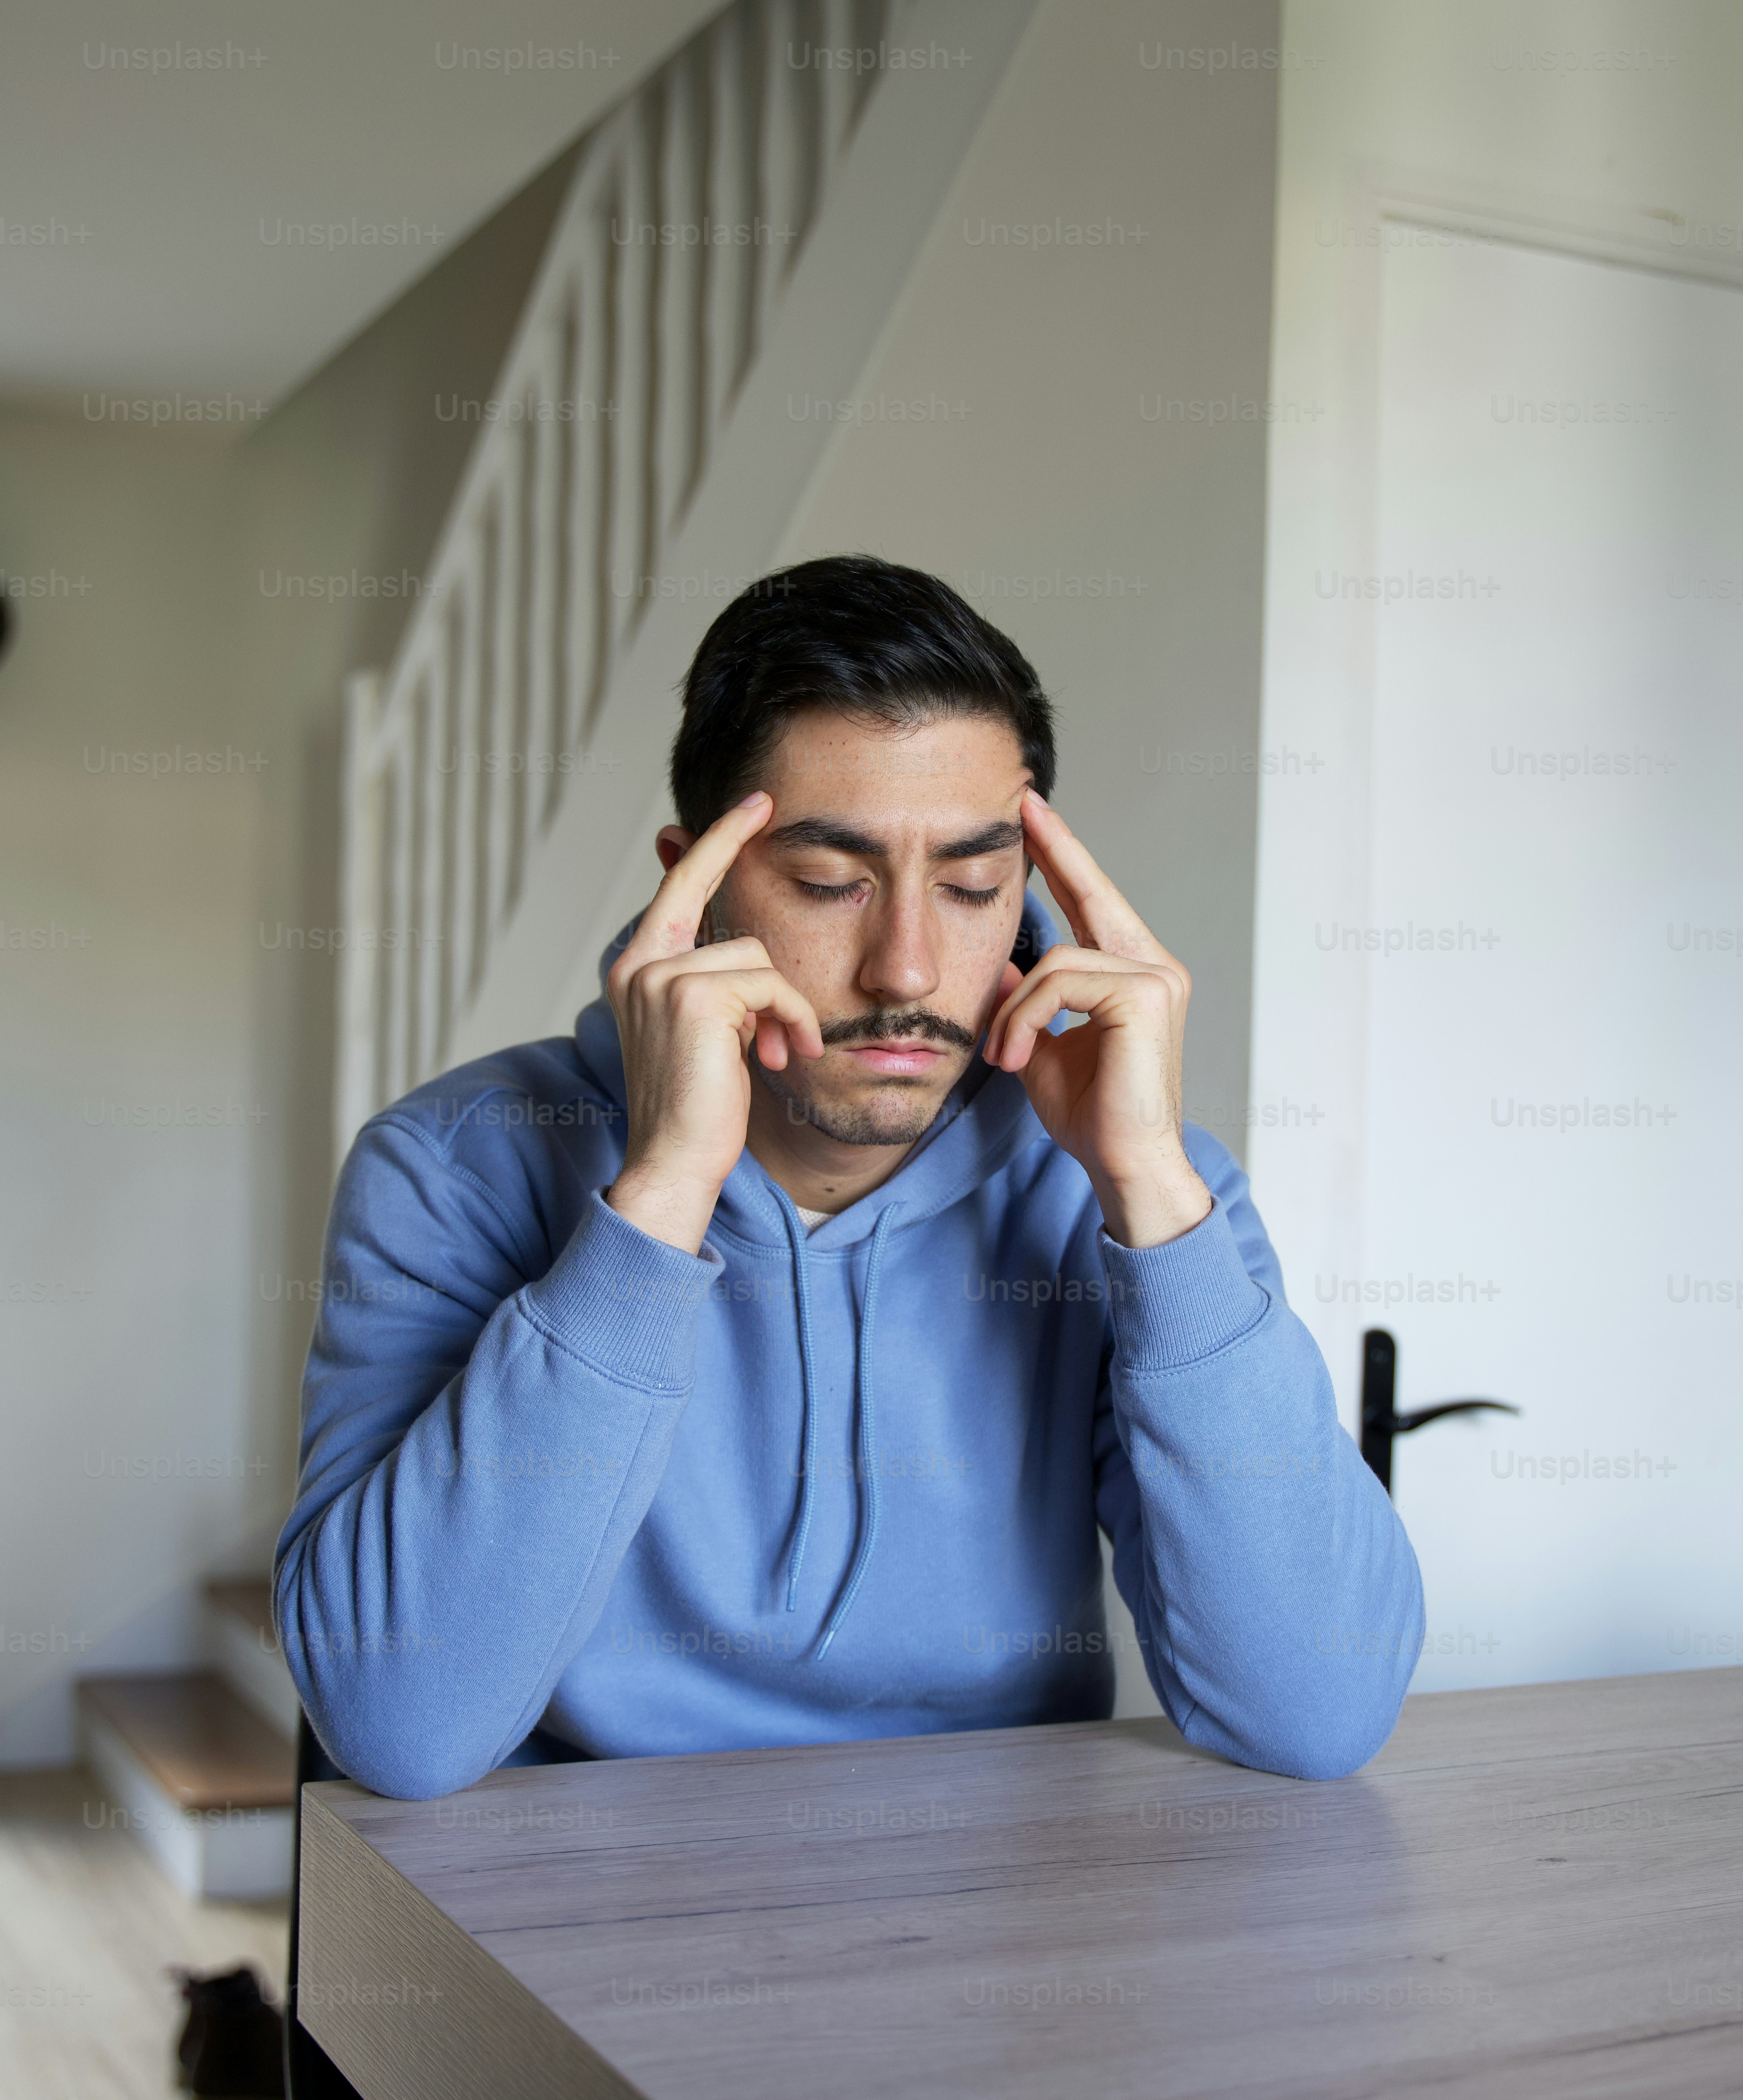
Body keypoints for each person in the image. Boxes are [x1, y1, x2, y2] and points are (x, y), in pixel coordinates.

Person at [275, 555, 1424, 1802]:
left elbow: (1320, 1711)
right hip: (570, 1925)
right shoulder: (453, 1167)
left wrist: (1148, 1186)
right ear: (693, 890)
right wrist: (659, 1195)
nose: (909, 969)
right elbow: (396, 1723)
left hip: (1004, 1934)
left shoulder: (1137, 1196)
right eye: (831, 884)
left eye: (977, 886)